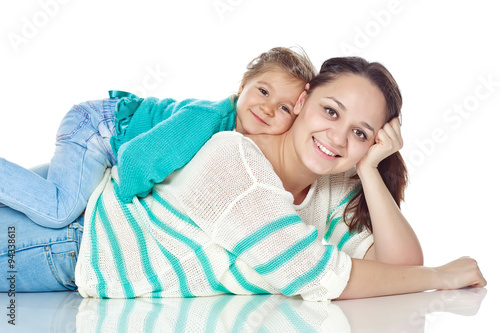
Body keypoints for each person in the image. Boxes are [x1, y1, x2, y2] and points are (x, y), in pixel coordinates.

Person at [73, 56, 485, 301]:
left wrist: (369, 169)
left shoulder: (331, 185)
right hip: (69, 244)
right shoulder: (234, 160)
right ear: (303, 100)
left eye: (361, 133)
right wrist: (439, 277)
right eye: (331, 111)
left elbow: (398, 267)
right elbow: (318, 273)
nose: (338, 138)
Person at [0, 46, 315, 230]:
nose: (268, 108)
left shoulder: (241, 141)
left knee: (39, 191)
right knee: (61, 211)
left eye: (284, 107)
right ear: (243, 84)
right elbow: (137, 159)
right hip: (98, 129)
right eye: (263, 91)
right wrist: (118, 209)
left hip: (110, 127)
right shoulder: (208, 120)